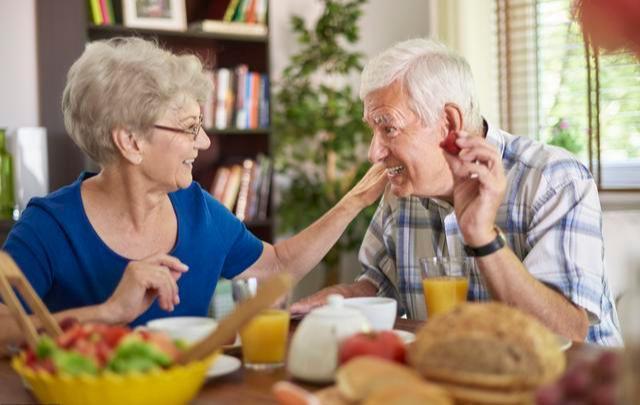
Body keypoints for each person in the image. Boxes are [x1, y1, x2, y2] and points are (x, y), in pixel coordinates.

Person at [0, 37, 387, 351]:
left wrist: (354, 200)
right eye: (189, 127)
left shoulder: (197, 208)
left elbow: (277, 268)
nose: (202, 142)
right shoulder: (49, 226)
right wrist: (108, 312)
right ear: (131, 141)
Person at [292, 38, 623, 346]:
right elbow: (380, 286)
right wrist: (340, 301)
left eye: (388, 128)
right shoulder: (402, 190)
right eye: (373, 130)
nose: (373, 153)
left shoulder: (552, 180)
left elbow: (567, 332)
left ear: (448, 123)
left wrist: (482, 237)